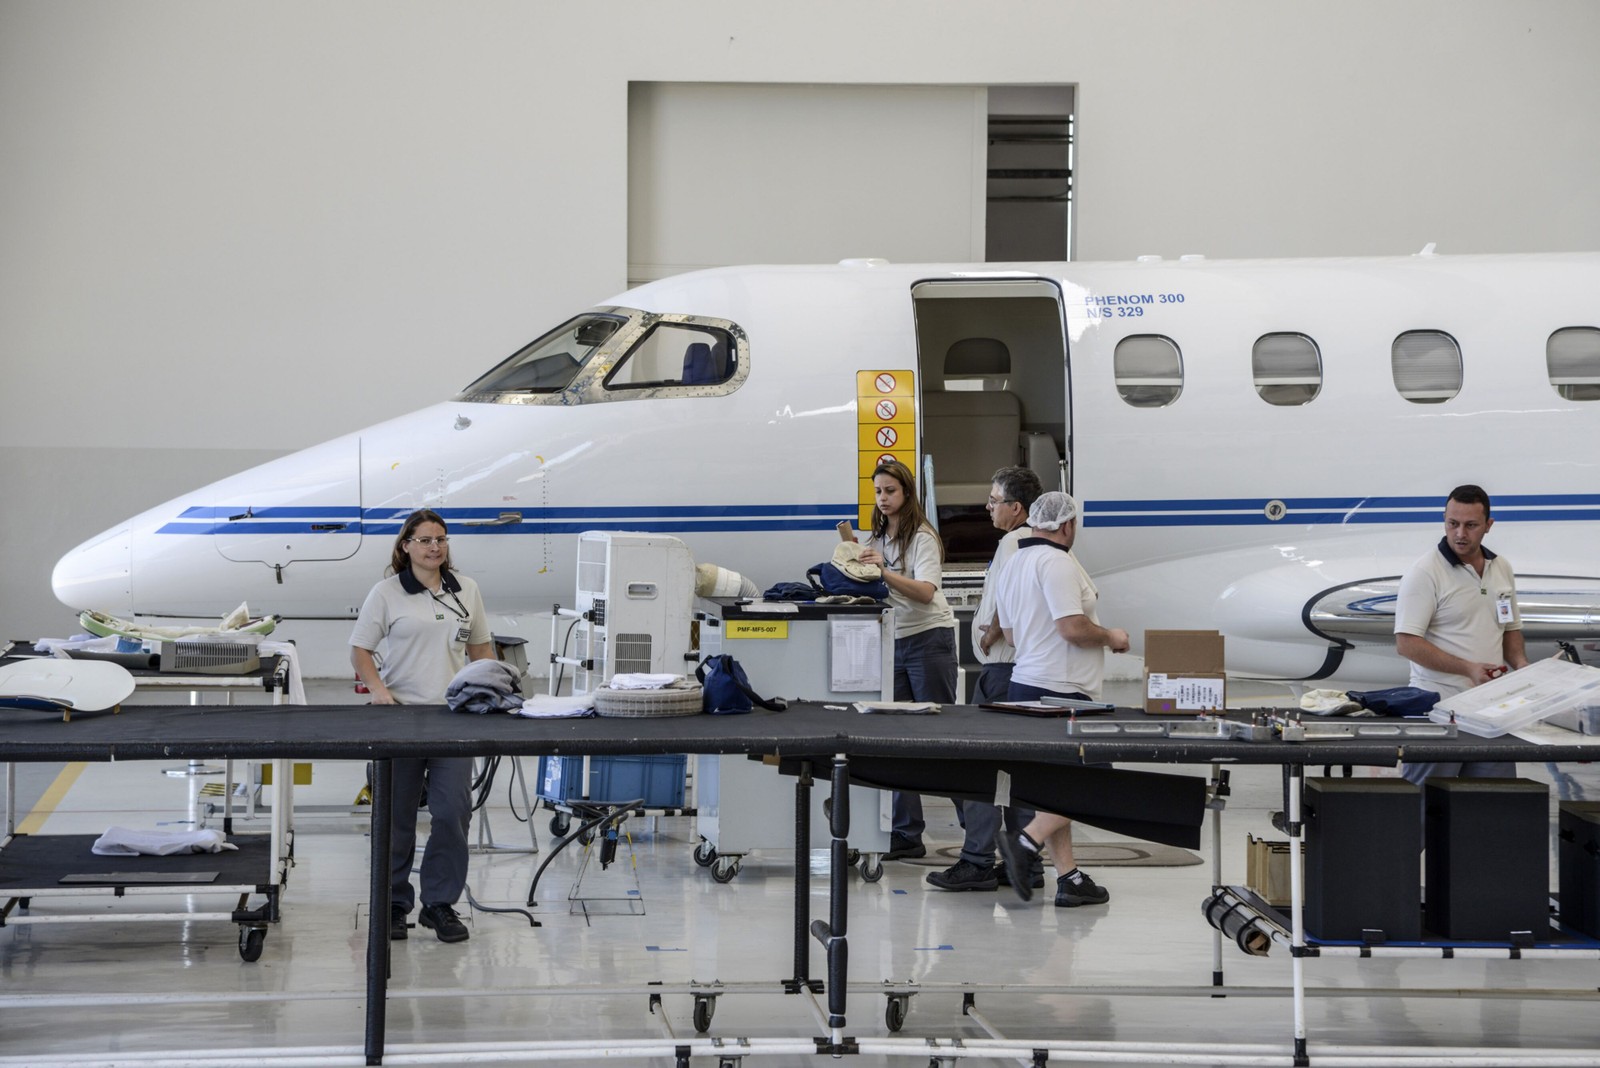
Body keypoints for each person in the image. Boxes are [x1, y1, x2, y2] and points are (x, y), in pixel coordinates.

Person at [351, 509, 495, 943]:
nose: (435, 547)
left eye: (442, 539)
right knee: (396, 818)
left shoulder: (466, 589)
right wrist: (379, 690)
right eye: (426, 540)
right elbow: (360, 651)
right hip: (400, 718)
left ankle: (439, 905)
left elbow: (481, 650)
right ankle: (394, 905)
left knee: (452, 813)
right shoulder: (387, 592)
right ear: (406, 546)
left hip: (453, 717)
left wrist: (493, 691)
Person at [993, 491, 1130, 908]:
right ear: (1067, 525)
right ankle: (1025, 841)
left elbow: (1011, 635)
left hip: (1025, 685)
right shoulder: (1057, 562)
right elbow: (1072, 628)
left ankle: (1069, 878)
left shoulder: (1014, 563)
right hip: (1062, 691)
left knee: (1057, 789)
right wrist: (1111, 637)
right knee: (1098, 782)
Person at [927, 465, 1046, 892]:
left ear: (1017, 508)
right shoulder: (1029, 542)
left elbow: (1013, 595)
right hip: (1018, 669)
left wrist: (992, 631)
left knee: (974, 766)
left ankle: (977, 859)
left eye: (994, 501)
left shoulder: (1015, 541)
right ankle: (1026, 864)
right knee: (1017, 770)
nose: (987, 507)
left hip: (1003, 670)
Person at [845, 459, 958, 861]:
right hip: (894, 640)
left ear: (907, 493)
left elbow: (926, 592)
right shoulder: (877, 537)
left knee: (943, 741)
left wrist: (882, 571)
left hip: (928, 639)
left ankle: (979, 842)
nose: (883, 498)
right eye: (878, 492)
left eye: (890, 491)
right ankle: (906, 833)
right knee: (895, 740)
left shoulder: (923, 537)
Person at [1394, 484, 1528, 785]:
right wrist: (1468, 668)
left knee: (1491, 801)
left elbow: (1509, 628)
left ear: (1488, 526)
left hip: (1491, 709)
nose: (1460, 534)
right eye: (1452, 523)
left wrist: (1521, 665)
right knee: (1425, 802)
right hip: (1439, 709)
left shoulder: (1501, 567)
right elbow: (1406, 643)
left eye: (1471, 525)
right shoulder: (1424, 572)